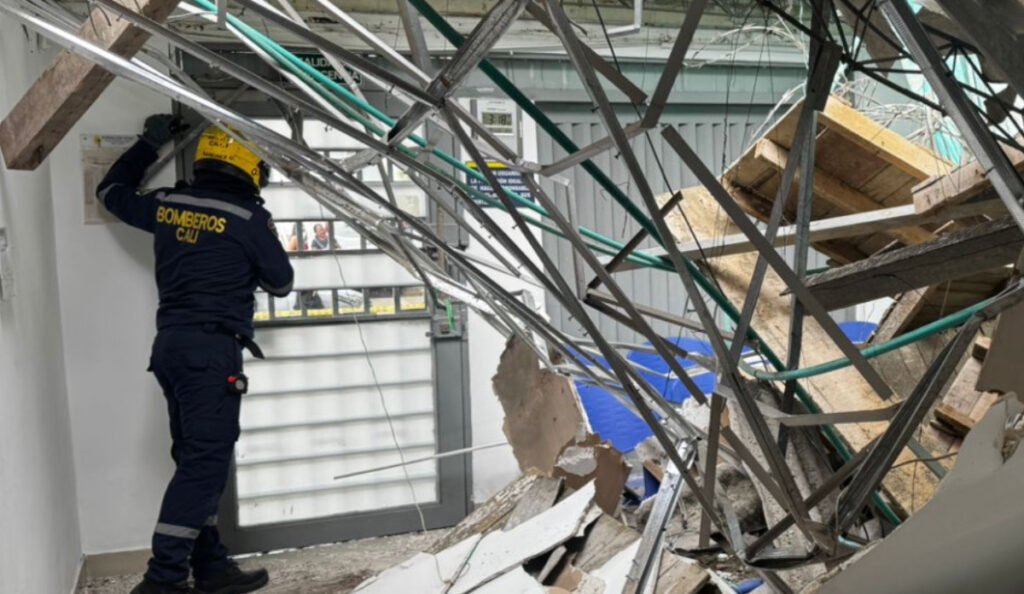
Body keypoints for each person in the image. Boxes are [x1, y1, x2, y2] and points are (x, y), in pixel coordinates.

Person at [96, 114, 293, 594]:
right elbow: (282, 282)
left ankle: (210, 566)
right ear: (247, 167)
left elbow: (111, 192)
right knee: (204, 467)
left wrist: (148, 144)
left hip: (171, 349)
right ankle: (162, 580)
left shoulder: (169, 204)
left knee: (194, 460)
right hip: (212, 355)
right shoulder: (248, 218)